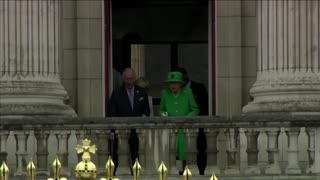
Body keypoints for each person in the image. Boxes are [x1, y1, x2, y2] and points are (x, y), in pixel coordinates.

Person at [109, 68, 150, 174]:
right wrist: (113, 131)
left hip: (137, 131)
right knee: (120, 155)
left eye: (131, 79)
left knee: (137, 155)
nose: (129, 82)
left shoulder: (141, 92)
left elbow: (147, 110)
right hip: (121, 131)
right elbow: (112, 113)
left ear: (134, 78)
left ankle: (137, 174)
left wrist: (143, 119)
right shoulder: (117, 93)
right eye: (127, 79)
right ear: (123, 79)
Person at [159, 71, 199, 175]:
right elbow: (161, 110)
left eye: (176, 83)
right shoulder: (165, 93)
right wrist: (166, 116)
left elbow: (195, 109)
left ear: (180, 84)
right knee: (171, 156)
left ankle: (185, 175)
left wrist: (186, 119)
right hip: (170, 130)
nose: (173, 85)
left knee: (186, 156)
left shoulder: (188, 92)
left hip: (185, 131)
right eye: (171, 83)